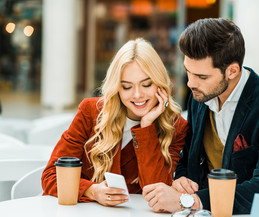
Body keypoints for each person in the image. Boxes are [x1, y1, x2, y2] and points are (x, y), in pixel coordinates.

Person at [142, 18, 259, 214]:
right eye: (188, 72)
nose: (191, 84)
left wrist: (190, 201)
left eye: (202, 77)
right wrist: (181, 180)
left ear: (232, 71)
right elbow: (188, 157)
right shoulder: (199, 97)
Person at [41, 38, 188, 207]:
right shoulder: (91, 112)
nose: (138, 95)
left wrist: (146, 126)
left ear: (159, 84)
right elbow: (51, 176)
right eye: (127, 87)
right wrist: (92, 191)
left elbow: (156, 192)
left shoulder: (176, 127)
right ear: (117, 88)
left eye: (146, 84)